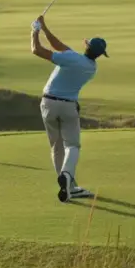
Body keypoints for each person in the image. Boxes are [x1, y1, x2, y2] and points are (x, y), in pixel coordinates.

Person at [30, 14, 108, 202]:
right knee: (72, 145)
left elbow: (36, 50)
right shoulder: (91, 67)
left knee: (56, 147)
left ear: (86, 46)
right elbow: (58, 45)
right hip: (68, 107)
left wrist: (34, 31)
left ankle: (68, 184)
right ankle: (68, 180)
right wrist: (45, 27)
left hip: (48, 104)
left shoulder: (72, 58)